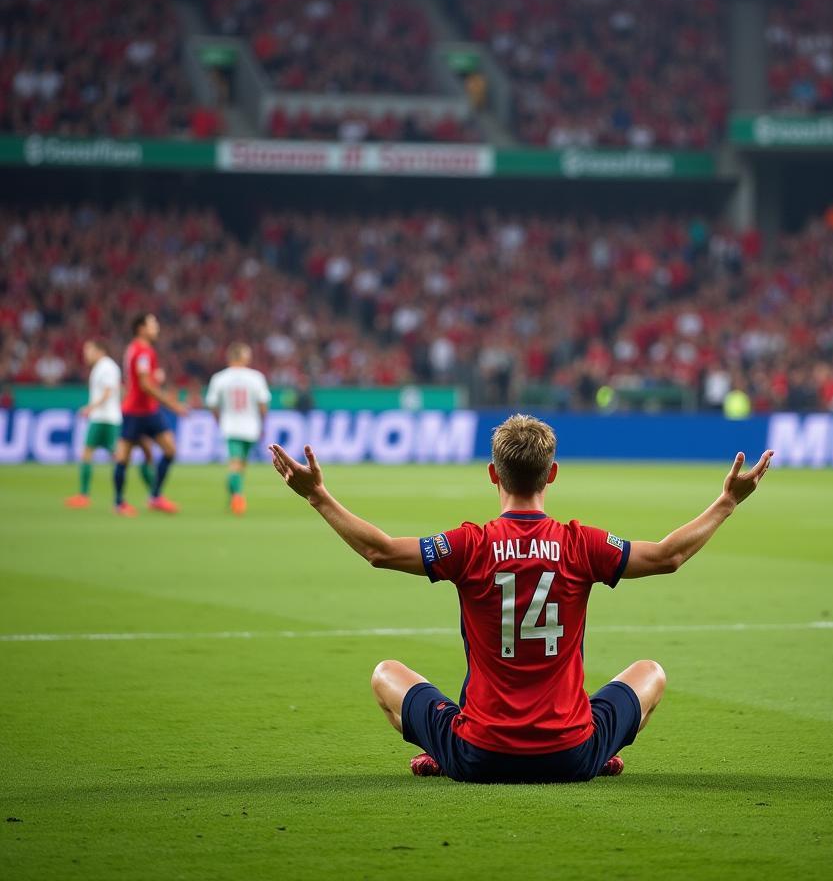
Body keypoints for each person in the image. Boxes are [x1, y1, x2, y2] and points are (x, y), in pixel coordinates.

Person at [269, 413, 772, 784]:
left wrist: (317, 495)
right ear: (551, 474)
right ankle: (603, 750)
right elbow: (666, 556)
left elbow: (378, 551)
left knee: (386, 674)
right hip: (571, 754)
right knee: (651, 673)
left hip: (478, 754)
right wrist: (727, 501)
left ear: (493, 474)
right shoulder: (581, 543)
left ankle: (440, 751)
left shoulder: (470, 544)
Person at [112, 313, 188, 517]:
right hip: (135, 411)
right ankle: (119, 503)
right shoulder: (143, 350)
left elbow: (141, 379)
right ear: (141, 328)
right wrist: (173, 405)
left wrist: (156, 377)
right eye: (153, 325)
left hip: (149, 410)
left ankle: (155, 497)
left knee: (170, 450)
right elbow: (145, 385)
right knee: (123, 457)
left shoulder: (136, 349)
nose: (157, 328)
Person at [65, 338, 155, 507]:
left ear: (100, 350)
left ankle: (145, 493)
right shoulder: (100, 367)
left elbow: (108, 392)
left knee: (118, 457)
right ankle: (86, 495)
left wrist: (90, 408)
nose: (86, 354)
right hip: (102, 417)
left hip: (105, 418)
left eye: (89, 350)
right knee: (103, 455)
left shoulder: (107, 367)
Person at [205, 342, 271, 515]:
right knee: (237, 463)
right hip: (251, 426)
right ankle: (238, 497)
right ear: (242, 356)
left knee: (238, 464)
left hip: (230, 425)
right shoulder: (256, 377)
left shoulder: (219, 378)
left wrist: (219, 420)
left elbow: (212, 404)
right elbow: (263, 404)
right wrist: (263, 423)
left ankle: (234, 494)